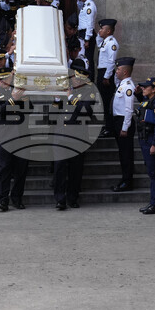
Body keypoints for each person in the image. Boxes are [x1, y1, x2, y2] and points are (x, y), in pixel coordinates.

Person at [54, 59, 96, 210]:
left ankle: (73, 197)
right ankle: (60, 198)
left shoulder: (89, 91)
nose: (76, 80)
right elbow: (54, 112)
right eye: (74, 77)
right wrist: (57, 99)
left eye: (79, 78)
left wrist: (71, 97)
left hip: (78, 136)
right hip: (61, 134)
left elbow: (86, 111)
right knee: (59, 168)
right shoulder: (64, 87)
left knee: (75, 170)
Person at [0, 69, 28, 212]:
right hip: (4, 137)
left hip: (21, 136)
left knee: (21, 170)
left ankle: (17, 198)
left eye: (4, 79)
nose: (1, 82)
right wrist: (12, 100)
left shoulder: (19, 92)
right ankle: (2, 200)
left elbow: (28, 109)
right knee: (4, 169)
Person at [136, 77, 155, 215]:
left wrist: (154, 143)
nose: (143, 88)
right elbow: (143, 107)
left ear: (154, 89)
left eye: (146, 87)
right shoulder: (148, 101)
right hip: (144, 139)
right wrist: (138, 93)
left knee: (154, 173)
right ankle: (153, 202)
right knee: (151, 171)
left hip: (150, 139)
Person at [110, 56, 136, 192]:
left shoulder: (128, 87)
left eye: (118, 69)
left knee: (126, 153)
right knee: (122, 153)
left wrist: (125, 127)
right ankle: (124, 178)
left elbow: (129, 109)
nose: (116, 71)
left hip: (123, 122)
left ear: (125, 72)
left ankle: (127, 181)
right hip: (117, 121)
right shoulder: (121, 84)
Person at [96, 19, 119, 136]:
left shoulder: (112, 43)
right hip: (101, 71)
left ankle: (110, 127)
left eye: (102, 29)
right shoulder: (105, 42)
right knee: (102, 101)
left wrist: (106, 77)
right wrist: (99, 34)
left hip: (106, 73)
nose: (100, 30)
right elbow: (98, 43)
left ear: (109, 31)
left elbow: (111, 61)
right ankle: (106, 126)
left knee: (107, 101)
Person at [76, 0, 97, 79]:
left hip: (87, 34)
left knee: (88, 58)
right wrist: (78, 0)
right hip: (83, 33)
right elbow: (81, 9)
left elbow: (90, 23)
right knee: (83, 57)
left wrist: (87, 38)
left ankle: (90, 78)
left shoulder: (90, 6)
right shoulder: (86, 5)